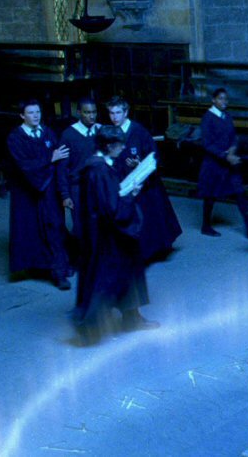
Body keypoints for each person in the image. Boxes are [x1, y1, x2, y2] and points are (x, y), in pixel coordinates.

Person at [73, 125, 159, 344]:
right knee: (111, 276)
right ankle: (94, 327)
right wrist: (131, 194)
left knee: (119, 275)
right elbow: (113, 209)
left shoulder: (97, 166)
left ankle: (130, 318)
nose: (123, 148)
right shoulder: (99, 170)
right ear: (109, 146)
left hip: (101, 232)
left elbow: (107, 200)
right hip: (109, 236)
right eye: (119, 145)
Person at [106, 96, 182, 262]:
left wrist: (139, 163)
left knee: (149, 217)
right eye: (111, 113)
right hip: (123, 182)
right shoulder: (110, 132)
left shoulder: (138, 131)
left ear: (126, 112)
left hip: (144, 182)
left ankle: (150, 253)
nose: (115, 117)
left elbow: (154, 156)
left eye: (118, 112)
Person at [6, 99, 71, 290]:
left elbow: (60, 159)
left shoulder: (48, 133)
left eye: (38, 112)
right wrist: (50, 158)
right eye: (31, 113)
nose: (36, 116)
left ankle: (59, 271)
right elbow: (23, 165)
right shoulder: (15, 138)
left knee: (54, 227)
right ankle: (38, 267)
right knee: (30, 229)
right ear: (22, 115)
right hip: (27, 192)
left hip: (49, 190)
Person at [197, 88, 248, 239]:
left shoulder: (227, 116)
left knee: (240, 193)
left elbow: (233, 137)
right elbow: (207, 144)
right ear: (213, 100)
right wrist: (225, 155)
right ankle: (205, 226)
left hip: (228, 163)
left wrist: (232, 149)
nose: (224, 101)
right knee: (210, 196)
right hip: (213, 164)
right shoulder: (208, 118)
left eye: (226, 99)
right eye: (220, 98)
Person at [58, 97, 100, 242]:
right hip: (78, 187)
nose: (92, 116)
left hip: (99, 185)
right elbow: (62, 168)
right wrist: (65, 195)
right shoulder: (68, 135)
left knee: (100, 225)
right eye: (87, 112)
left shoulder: (101, 131)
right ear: (78, 113)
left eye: (94, 112)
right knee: (81, 226)